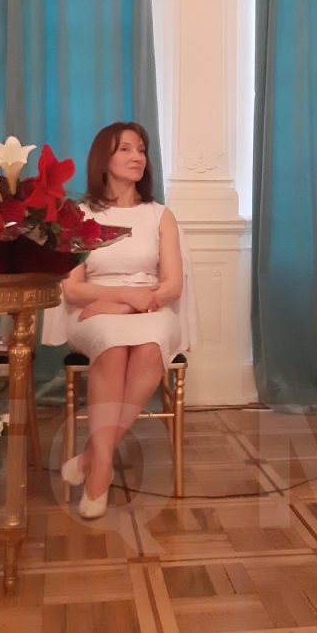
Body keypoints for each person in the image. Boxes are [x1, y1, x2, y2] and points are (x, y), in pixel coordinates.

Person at [42, 122, 194, 519]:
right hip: (93, 310)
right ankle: (101, 468)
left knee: (149, 346)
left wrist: (128, 305)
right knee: (111, 346)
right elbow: (73, 290)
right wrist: (123, 297)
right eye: (125, 149)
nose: (137, 156)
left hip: (151, 308)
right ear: (103, 159)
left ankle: (95, 460)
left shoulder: (160, 215)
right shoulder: (79, 215)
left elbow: (172, 286)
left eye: (141, 149)